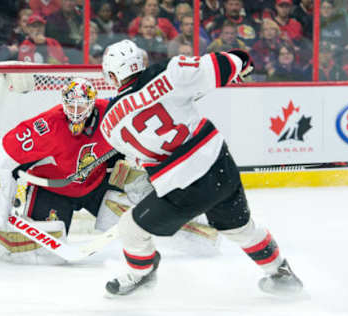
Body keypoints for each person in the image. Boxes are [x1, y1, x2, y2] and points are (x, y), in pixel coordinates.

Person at [100, 39, 303, 296]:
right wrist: (241, 61)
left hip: (182, 191)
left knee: (130, 226)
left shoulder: (109, 125)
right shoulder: (171, 71)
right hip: (220, 167)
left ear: (112, 74)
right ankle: (281, 272)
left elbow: (145, 160)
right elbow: (226, 64)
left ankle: (142, 273)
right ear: (140, 60)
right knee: (240, 228)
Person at [0, 77, 215, 263]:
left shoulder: (113, 115)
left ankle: (185, 226)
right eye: (70, 105)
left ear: (92, 103)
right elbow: (1, 157)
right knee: (45, 253)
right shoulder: (47, 127)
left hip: (95, 186)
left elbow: (147, 146)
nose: (75, 112)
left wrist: (130, 166)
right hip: (53, 191)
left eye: (81, 106)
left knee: (136, 223)